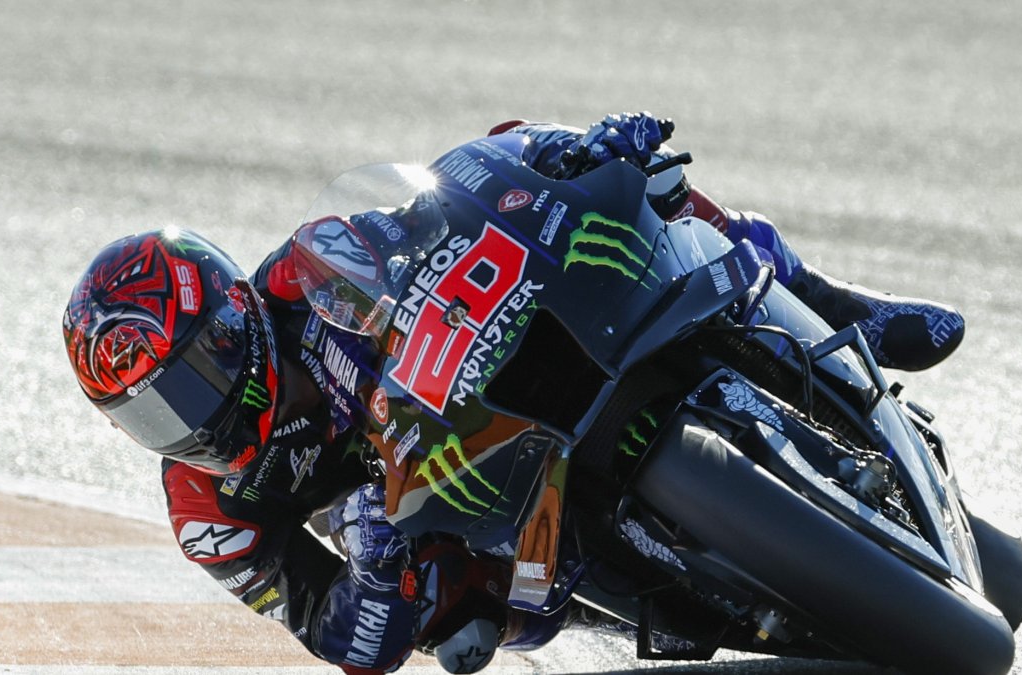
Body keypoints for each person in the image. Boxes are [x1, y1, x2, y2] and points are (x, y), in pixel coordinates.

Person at [61, 112, 964, 673]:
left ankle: (831, 301)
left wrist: (559, 158)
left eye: (187, 380)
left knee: (624, 174)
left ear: (230, 323)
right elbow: (338, 639)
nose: (187, 419)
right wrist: (374, 566)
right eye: (149, 413)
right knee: (463, 636)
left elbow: (454, 205)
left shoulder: (312, 270)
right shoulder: (208, 511)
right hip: (455, 535)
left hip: (488, 379)